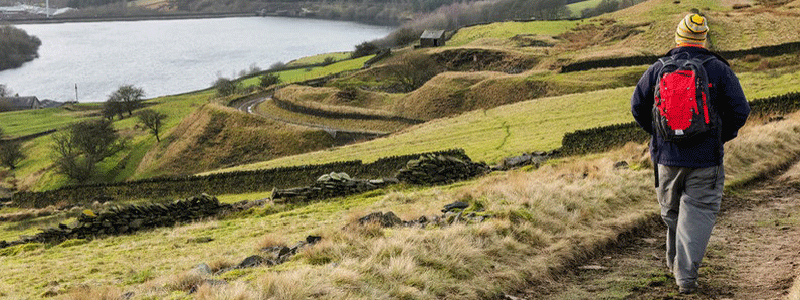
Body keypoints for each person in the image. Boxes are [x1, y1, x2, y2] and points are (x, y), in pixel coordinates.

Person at [630, 13, 750, 294]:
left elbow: (637, 106)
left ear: (678, 37)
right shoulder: (718, 69)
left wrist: (660, 134)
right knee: (698, 212)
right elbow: (740, 110)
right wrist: (720, 137)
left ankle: (675, 266)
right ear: (703, 38)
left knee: (672, 212)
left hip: (666, 159)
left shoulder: (658, 68)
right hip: (705, 159)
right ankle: (685, 277)